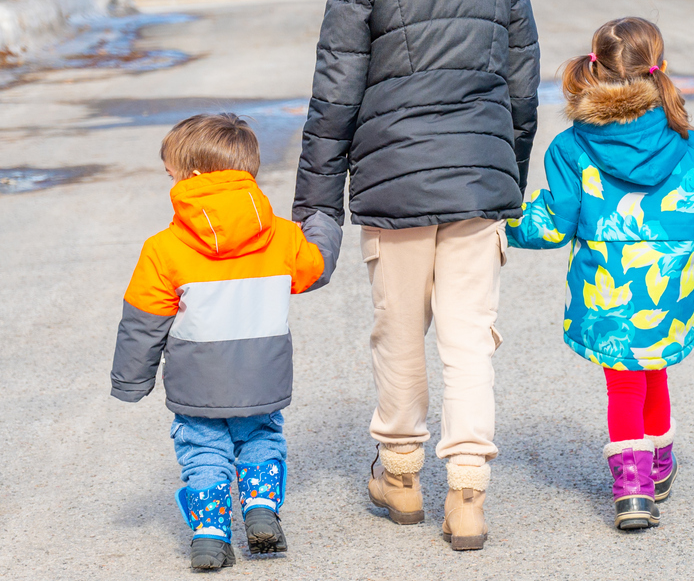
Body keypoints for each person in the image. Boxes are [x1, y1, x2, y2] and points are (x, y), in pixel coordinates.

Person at [293, 0, 539, 550]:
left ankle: (401, 475)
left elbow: (335, 92)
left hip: (394, 173)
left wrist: (317, 211)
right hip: (478, 172)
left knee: (399, 332)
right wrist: (505, 176)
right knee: (470, 339)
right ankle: (467, 495)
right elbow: (522, 88)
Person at [506, 17, 694, 530]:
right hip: (669, 293)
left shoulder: (572, 148)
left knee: (625, 384)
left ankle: (633, 490)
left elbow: (551, 225)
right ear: (657, 68)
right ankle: (657, 466)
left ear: (596, 68)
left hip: (606, 293)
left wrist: (503, 222)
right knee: (652, 366)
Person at [109, 113, 342, 568]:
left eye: (171, 173)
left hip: (198, 383)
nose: (170, 181)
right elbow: (317, 268)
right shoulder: (280, 236)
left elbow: (143, 322)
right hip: (263, 374)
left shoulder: (164, 248)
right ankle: (259, 511)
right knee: (260, 437)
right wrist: (323, 222)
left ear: (192, 175)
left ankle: (211, 535)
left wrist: (131, 381)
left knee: (203, 450)